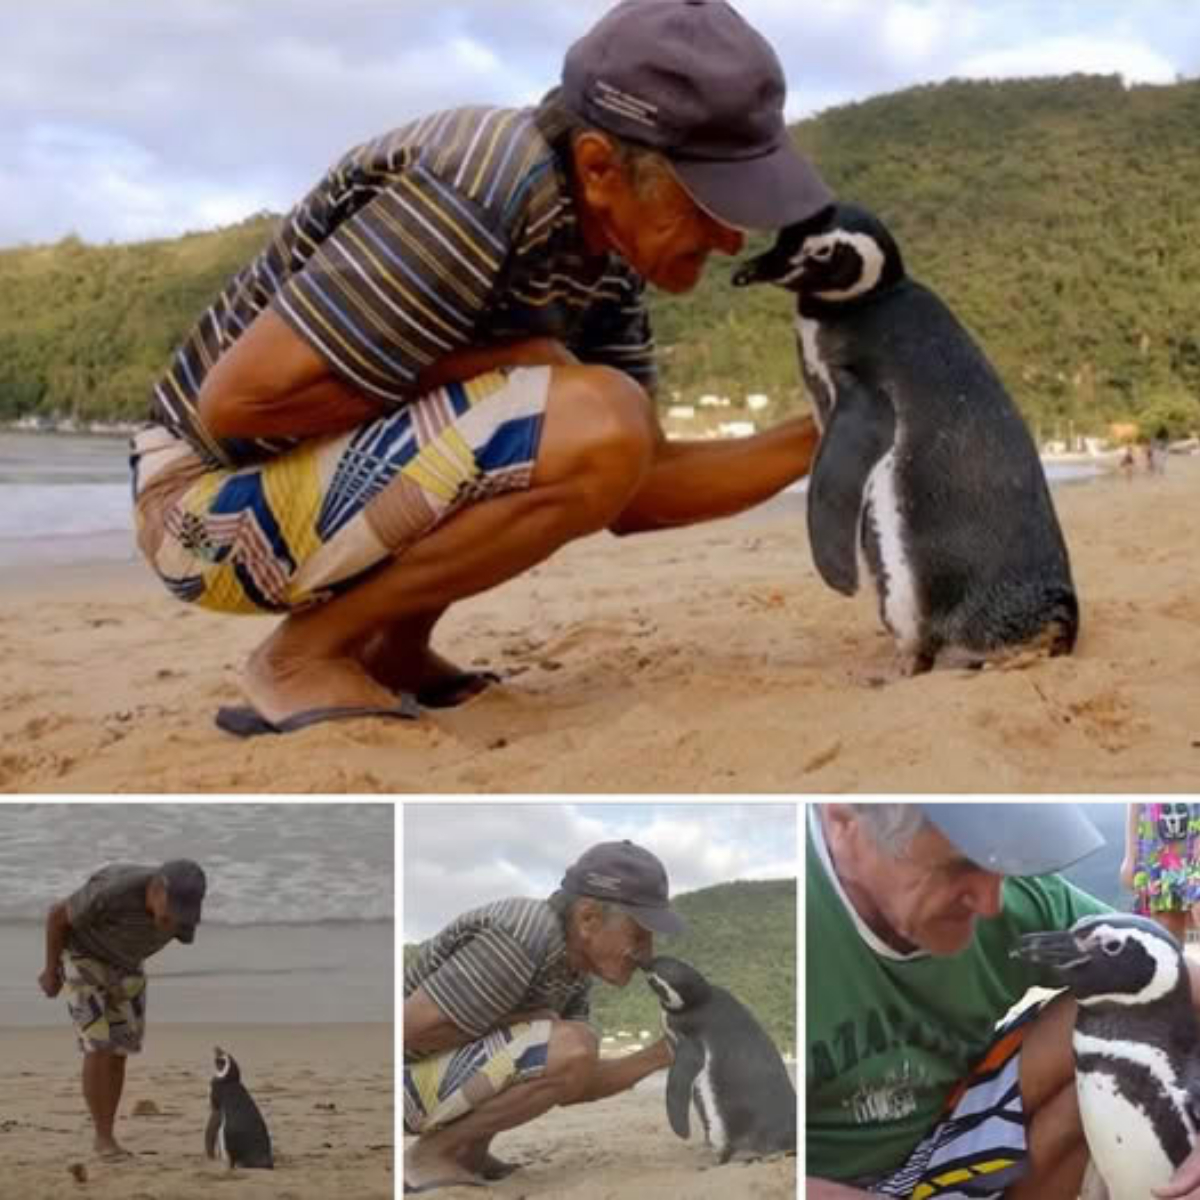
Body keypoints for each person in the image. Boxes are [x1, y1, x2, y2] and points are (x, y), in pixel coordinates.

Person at [130, 0, 833, 737]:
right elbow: (237, 407)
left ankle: (392, 649)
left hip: (294, 494)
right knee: (587, 412)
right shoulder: (479, 183)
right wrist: (507, 362)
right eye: (709, 203)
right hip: (198, 510)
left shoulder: (609, 263)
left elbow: (632, 487)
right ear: (599, 166)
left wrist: (825, 434)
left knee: (594, 420)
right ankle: (304, 655)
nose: (731, 238)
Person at [806, 803, 1200, 1200]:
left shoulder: (1013, 897)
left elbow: (1169, 973)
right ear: (844, 824)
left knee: (1113, 1005)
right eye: (959, 865)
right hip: (829, 1179)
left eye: (1002, 865)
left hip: (947, 1138)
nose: (991, 903)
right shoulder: (804, 908)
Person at [403, 840, 683, 1193]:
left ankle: (467, 1150)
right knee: (569, 1040)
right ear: (588, 919)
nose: (646, 953)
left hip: (427, 1086)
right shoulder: (521, 935)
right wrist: (525, 1020)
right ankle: (429, 1154)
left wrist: (661, 1054)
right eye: (639, 935)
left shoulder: (573, 972)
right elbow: (407, 1031)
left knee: (570, 1043)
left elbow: (570, 1079)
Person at [38, 859, 207, 1159]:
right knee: (98, 1045)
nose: (174, 921)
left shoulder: (185, 918)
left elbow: (162, 938)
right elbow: (57, 917)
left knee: (120, 1050)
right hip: (84, 956)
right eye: (170, 913)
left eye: (182, 915)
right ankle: (104, 1138)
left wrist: (125, 965)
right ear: (156, 889)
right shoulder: (114, 890)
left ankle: (108, 1131)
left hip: (127, 966)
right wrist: (52, 970)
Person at [1121, 801, 1200, 942]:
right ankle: (1173, 961)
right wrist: (1130, 854)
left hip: (1195, 821)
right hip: (1155, 831)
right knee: (1166, 922)